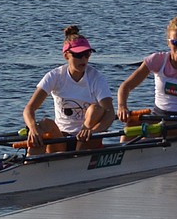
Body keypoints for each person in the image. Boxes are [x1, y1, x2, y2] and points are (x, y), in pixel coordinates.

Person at [23, 25, 115, 155]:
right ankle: (29, 166)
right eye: (78, 55)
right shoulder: (54, 76)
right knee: (44, 123)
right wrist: (32, 128)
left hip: (87, 137)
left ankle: (79, 156)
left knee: (96, 109)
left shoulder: (96, 78)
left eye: (87, 54)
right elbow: (29, 109)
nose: (83, 59)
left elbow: (110, 113)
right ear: (66, 56)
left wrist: (93, 131)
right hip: (60, 139)